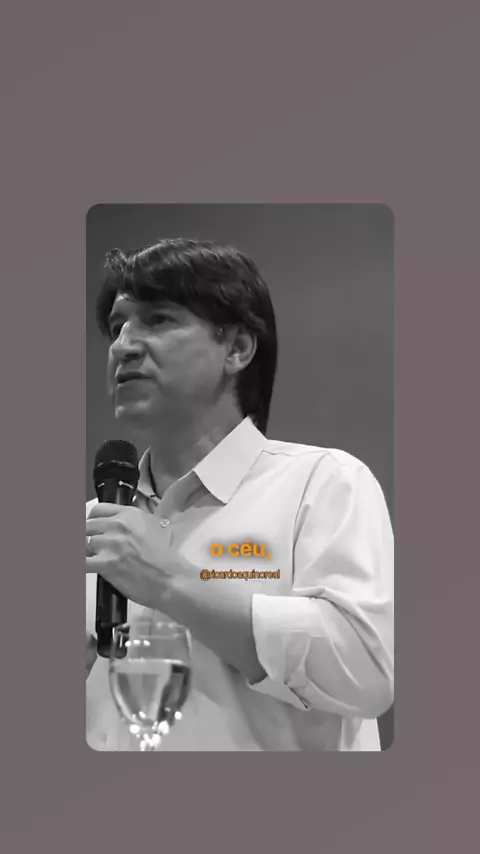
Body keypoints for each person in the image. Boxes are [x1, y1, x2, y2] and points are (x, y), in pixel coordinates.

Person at [86, 237, 394, 751]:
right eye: (118, 327)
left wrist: (169, 582)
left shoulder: (323, 483)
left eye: (158, 319)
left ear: (237, 349)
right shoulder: (95, 523)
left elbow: (368, 671)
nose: (123, 346)